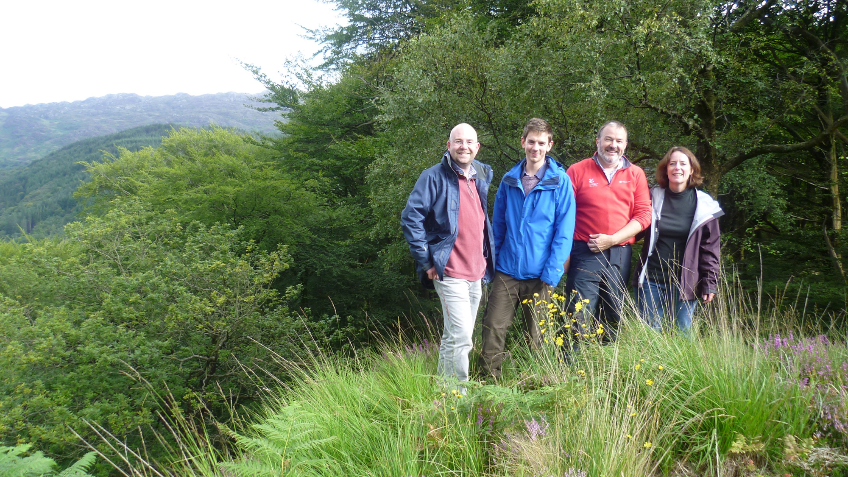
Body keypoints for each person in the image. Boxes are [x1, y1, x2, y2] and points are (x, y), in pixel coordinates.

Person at [477, 118, 576, 380]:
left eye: (541, 143)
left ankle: (541, 388)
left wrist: (553, 272)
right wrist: (492, 265)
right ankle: (489, 387)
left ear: (549, 145)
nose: (536, 147)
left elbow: (564, 232)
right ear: (523, 142)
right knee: (493, 330)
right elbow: (497, 226)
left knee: (539, 338)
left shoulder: (560, 182)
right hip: (507, 271)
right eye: (531, 141)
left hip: (541, 275)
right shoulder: (510, 180)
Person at [401, 123, 496, 388]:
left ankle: (444, 393)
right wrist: (426, 261)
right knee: (464, 336)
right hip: (450, 270)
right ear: (449, 145)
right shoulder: (433, 177)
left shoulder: (481, 175)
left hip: (477, 271)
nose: (463, 146)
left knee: (453, 336)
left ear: (477, 147)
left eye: (469, 142)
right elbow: (411, 218)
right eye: (458, 141)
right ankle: (459, 397)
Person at [564, 121, 651, 343]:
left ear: (625, 145)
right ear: (598, 141)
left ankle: (607, 370)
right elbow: (563, 215)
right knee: (578, 315)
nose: (613, 145)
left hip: (619, 253)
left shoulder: (636, 174)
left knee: (613, 316)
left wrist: (612, 240)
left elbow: (643, 216)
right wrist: (563, 256)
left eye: (618, 141)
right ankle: (570, 371)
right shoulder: (577, 170)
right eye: (608, 139)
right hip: (584, 251)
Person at [634, 146, 723, 334]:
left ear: (691, 170)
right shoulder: (652, 197)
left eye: (683, 163)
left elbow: (710, 250)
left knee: (683, 335)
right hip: (652, 279)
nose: (677, 168)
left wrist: (709, 283)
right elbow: (634, 227)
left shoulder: (705, 206)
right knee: (649, 337)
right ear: (666, 169)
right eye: (672, 163)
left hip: (685, 283)